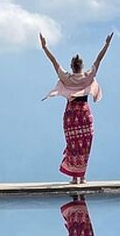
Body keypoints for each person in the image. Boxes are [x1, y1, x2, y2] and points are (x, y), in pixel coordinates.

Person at [40, 33, 113, 184]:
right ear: (81, 66)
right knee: (85, 144)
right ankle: (83, 176)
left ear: (72, 66)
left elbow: (54, 61)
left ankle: (74, 176)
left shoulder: (66, 78)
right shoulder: (88, 76)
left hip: (71, 115)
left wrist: (44, 46)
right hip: (84, 113)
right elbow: (99, 60)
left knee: (73, 144)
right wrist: (106, 44)